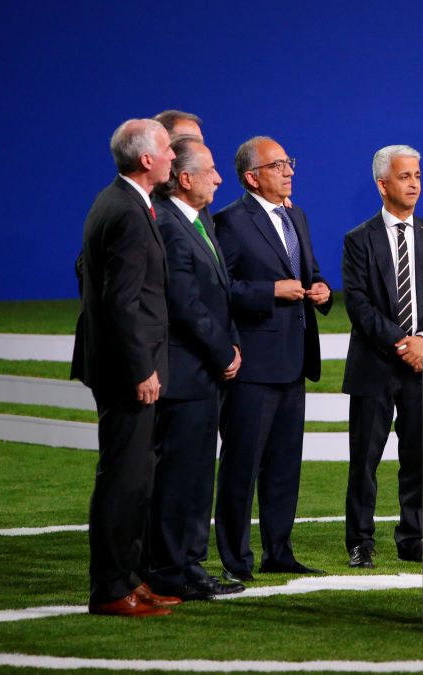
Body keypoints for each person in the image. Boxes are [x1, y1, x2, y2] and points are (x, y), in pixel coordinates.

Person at [72, 119, 182, 617]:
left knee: (135, 477)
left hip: (120, 362)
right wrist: (141, 367)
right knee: (124, 478)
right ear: (146, 160)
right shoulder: (127, 212)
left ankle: (131, 580)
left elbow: (87, 273)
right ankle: (112, 589)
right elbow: (120, 301)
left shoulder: (116, 201)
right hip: (127, 370)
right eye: (167, 149)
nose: (173, 157)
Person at [213, 136, 333, 581]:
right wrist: (269, 291)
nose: (289, 172)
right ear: (252, 177)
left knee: (284, 466)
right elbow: (220, 288)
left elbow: (309, 271)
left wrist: (321, 290)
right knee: (242, 466)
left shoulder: (295, 215)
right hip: (253, 366)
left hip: (294, 360)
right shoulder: (229, 222)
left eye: (289, 163)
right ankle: (235, 559)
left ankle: (278, 552)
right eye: (278, 165)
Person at [341, 145, 423, 568]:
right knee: (364, 462)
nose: (414, 184)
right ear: (382, 184)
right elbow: (358, 305)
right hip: (374, 365)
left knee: (419, 458)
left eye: (418, 176)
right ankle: (360, 541)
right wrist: (403, 344)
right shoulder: (358, 239)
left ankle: (413, 538)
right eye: (405, 176)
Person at [145, 136, 245, 601]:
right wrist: (223, 352)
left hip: (204, 372)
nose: (219, 179)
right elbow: (184, 303)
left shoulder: (197, 220)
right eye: (211, 171)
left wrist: (231, 344)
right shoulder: (168, 224)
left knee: (198, 475)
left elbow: (218, 293)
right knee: (179, 477)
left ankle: (188, 564)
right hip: (186, 374)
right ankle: (170, 570)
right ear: (185, 179)